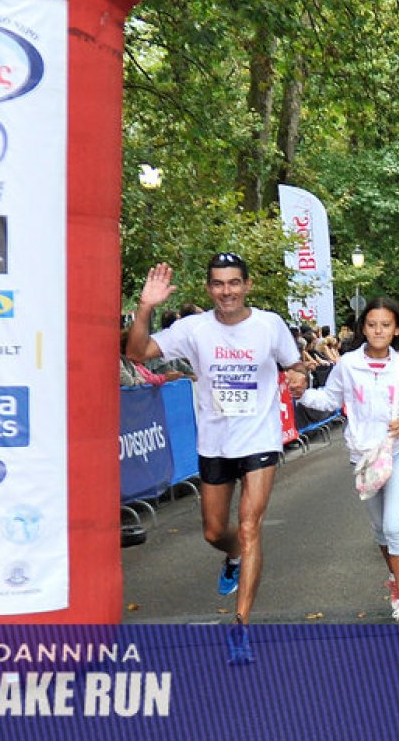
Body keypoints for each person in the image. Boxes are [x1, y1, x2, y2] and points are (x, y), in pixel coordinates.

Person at [125, 253, 306, 665]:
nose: (227, 291)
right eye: (219, 284)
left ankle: (240, 628)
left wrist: (299, 376)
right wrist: (146, 306)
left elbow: (295, 365)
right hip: (215, 443)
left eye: (234, 283)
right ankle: (234, 555)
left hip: (259, 438)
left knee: (250, 526)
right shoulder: (194, 329)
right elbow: (137, 353)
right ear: (209, 289)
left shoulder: (269, 325)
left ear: (247, 285)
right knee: (213, 531)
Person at [292, 297, 399, 628]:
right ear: (363, 328)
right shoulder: (348, 365)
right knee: (380, 529)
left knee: (395, 524)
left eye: (385, 325)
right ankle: (395, 578)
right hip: (363, 456)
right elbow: (330, 399)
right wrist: (302, 394)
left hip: (398, 450)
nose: (378, 331)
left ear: (397, 330)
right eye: (372, 325)